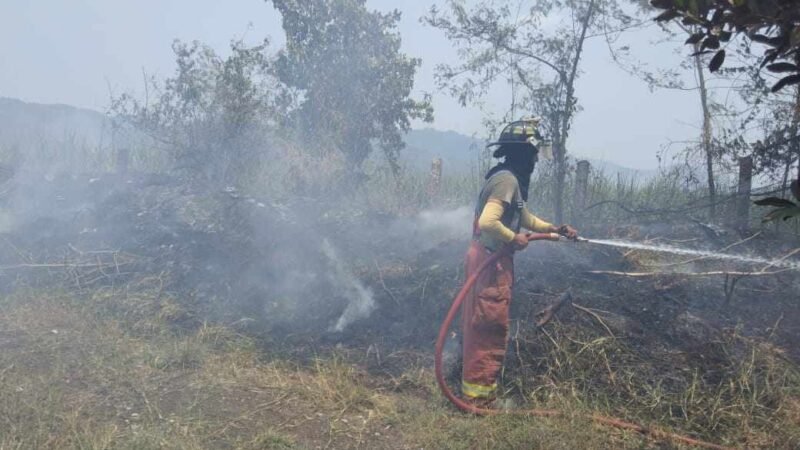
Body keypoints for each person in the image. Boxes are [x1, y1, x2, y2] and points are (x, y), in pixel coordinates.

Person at [461, 118, 578, 405]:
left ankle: (480, 392)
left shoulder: (511, 180)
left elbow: (526, 218)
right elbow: (488, 222)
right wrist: (513, 239)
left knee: (488, 321)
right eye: (534, 154)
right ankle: (478, 399)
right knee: (489, 323)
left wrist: (554, 229)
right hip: (490, 261)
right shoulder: (507, 181)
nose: (536, 160)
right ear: (524, 153)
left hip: (490, 259)